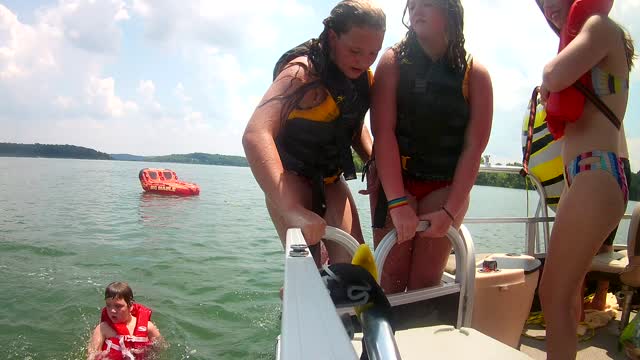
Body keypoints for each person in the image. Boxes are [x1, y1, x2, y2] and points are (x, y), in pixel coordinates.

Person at [242, 0, 386, 265]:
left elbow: (352, 126)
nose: (364, 61)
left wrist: (373, 163)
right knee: (306, 270)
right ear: (332, 36)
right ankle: (298, 290)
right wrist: (291, 209)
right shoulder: (300, 73)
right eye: (355, 50)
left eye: (373, 53)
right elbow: (255, 134)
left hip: (331, 181)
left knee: (355, 267)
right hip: (290, 181)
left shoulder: (362, 77)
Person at [367, 0, 493, 293]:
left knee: (425, 282)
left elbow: (473, 148)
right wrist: (397, 202)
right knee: (391, 279)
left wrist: (450, 212)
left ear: (449, 11)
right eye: (412, 5)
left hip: (444, 187)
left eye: (426, 4)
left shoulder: (476, 74)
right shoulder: (392, 61)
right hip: (396, 180)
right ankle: (388, 336)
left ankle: (418, 334)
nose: (415, 10)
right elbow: (383, 133)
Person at [535, 0, 635, 358]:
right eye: (541, 4)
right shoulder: (583, 42)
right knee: (569, 294)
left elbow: (553, 76)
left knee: (553, 295)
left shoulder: (599, 27)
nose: (548, 8)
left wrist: (547, 79)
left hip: (597, 172)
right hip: (583, 177)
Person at [87, 282, 163, 360]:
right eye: (108, 305)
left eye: (118, 306)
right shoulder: (102, 329)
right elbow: (92, 353)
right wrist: (96, 357)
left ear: (130, 306)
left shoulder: (148, 327)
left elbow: (161, 346)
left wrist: (149, 351)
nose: (112, 310)